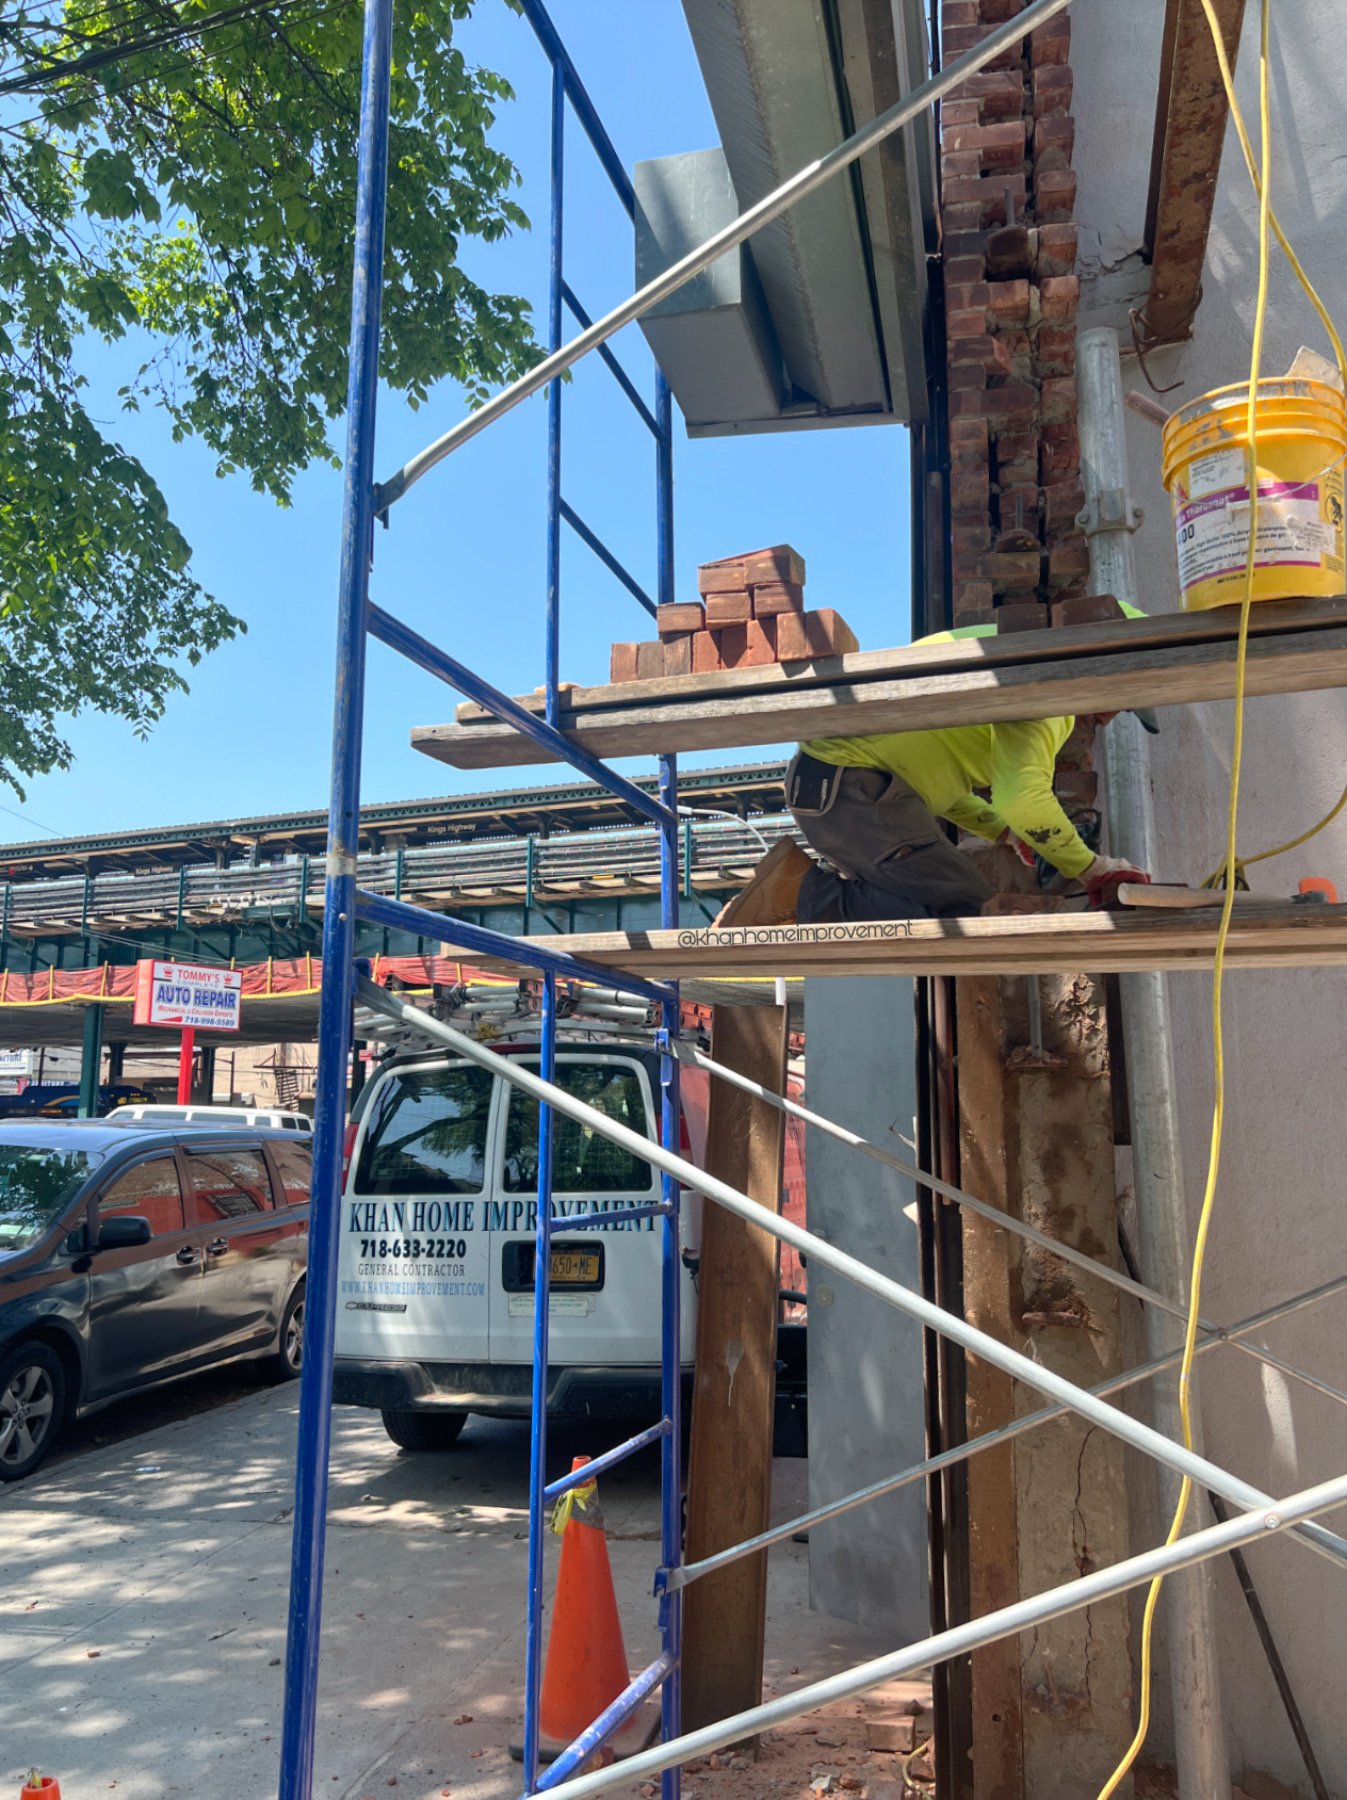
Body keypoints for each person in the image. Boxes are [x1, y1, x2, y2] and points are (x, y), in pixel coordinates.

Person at [716, 621, 1157, 928]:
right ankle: (799, 894)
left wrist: (1003, 832)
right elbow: (1024, 800)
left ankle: (801, 892)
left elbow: (944, 785)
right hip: (853, 790)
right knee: (964, 903)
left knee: (946, 898)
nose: (1110, 717)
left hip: (837, 790)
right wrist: (1092, 869)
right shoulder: (1053, 690)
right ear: (1105, 668)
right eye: (1121, 701)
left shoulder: (1005, 649)